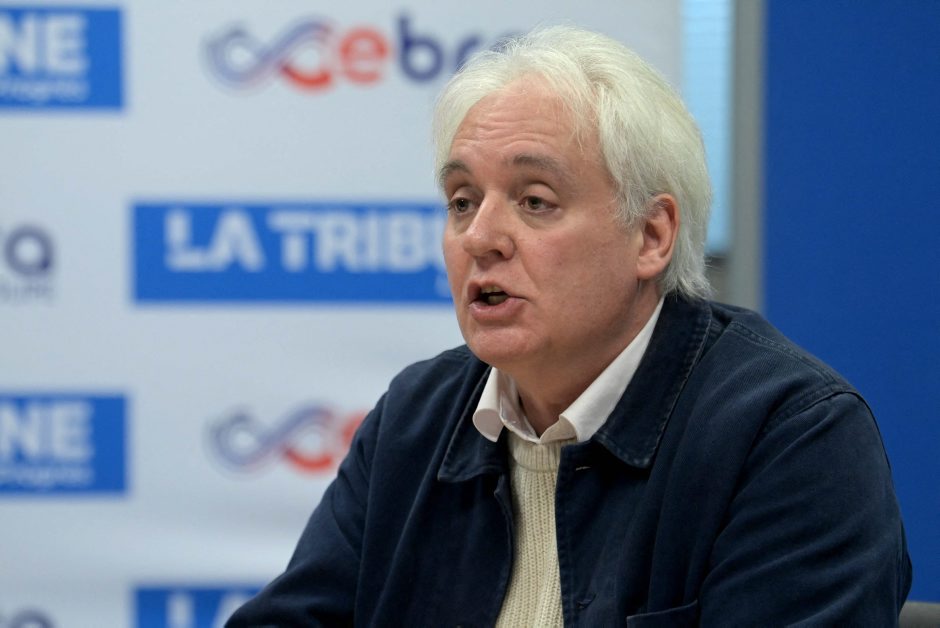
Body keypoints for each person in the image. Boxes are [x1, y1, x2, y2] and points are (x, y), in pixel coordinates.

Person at [227, 25, 911, 626]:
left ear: (652, 235)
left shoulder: (788, 438)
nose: (481, 236)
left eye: (534, 201)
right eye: (462, 200)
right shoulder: (416, 420)